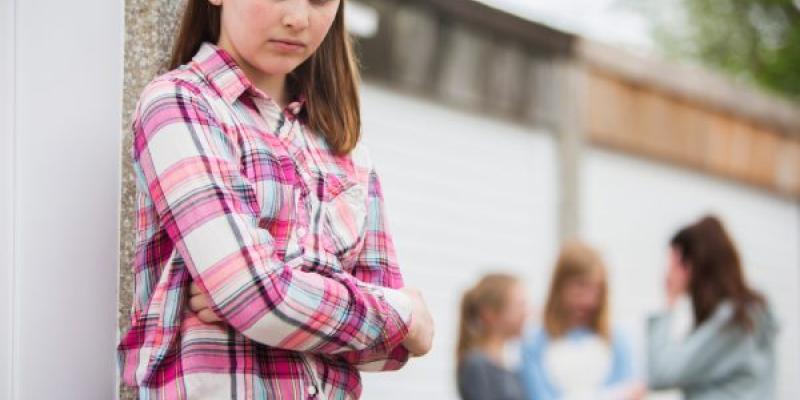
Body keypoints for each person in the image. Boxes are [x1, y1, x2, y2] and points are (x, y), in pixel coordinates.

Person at [116, 0, 434, 398]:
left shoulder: (345, 150)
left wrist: (280, 292)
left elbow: (388, 352)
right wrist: (402, 312)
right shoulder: (182, 104)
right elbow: (253, 296)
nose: (297, 19)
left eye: (319, 0)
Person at [647, 215, 778, 400]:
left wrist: (668, 303)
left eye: (675, 262)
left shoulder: (734, 321)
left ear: (692, 264)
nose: (668, 271)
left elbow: (661, 373)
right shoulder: (745, 315)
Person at [521, 240, 644, 400]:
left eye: (596, 289)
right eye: (580, 286)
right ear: (559, 286)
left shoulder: (618, 339)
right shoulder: (534, 342)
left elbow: (631, 391)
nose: (588, 300)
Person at [456, 273, 529, 400]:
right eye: (519, 306)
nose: (526, 313)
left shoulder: (509, 362)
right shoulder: (477, 366)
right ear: (489, 314)